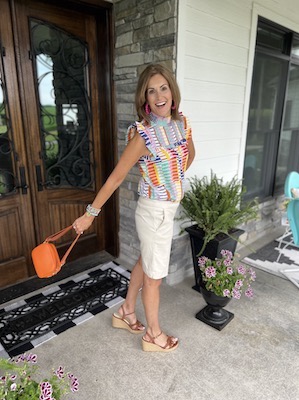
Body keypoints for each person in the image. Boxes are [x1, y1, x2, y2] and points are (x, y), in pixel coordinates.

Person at [72, 63, 195, 352]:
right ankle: (153, 335)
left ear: (172, 91)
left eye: (163, 88)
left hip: (168, 208)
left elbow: (190, 154)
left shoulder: (183, 123)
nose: (159, 95)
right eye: (151, 91)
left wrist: (169, 179)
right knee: (155, 277)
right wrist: (90, 215)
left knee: (145, 260)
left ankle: (126, 311)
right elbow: (116, 177)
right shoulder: (142, 135)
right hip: (153, 211)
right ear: (144, 99)